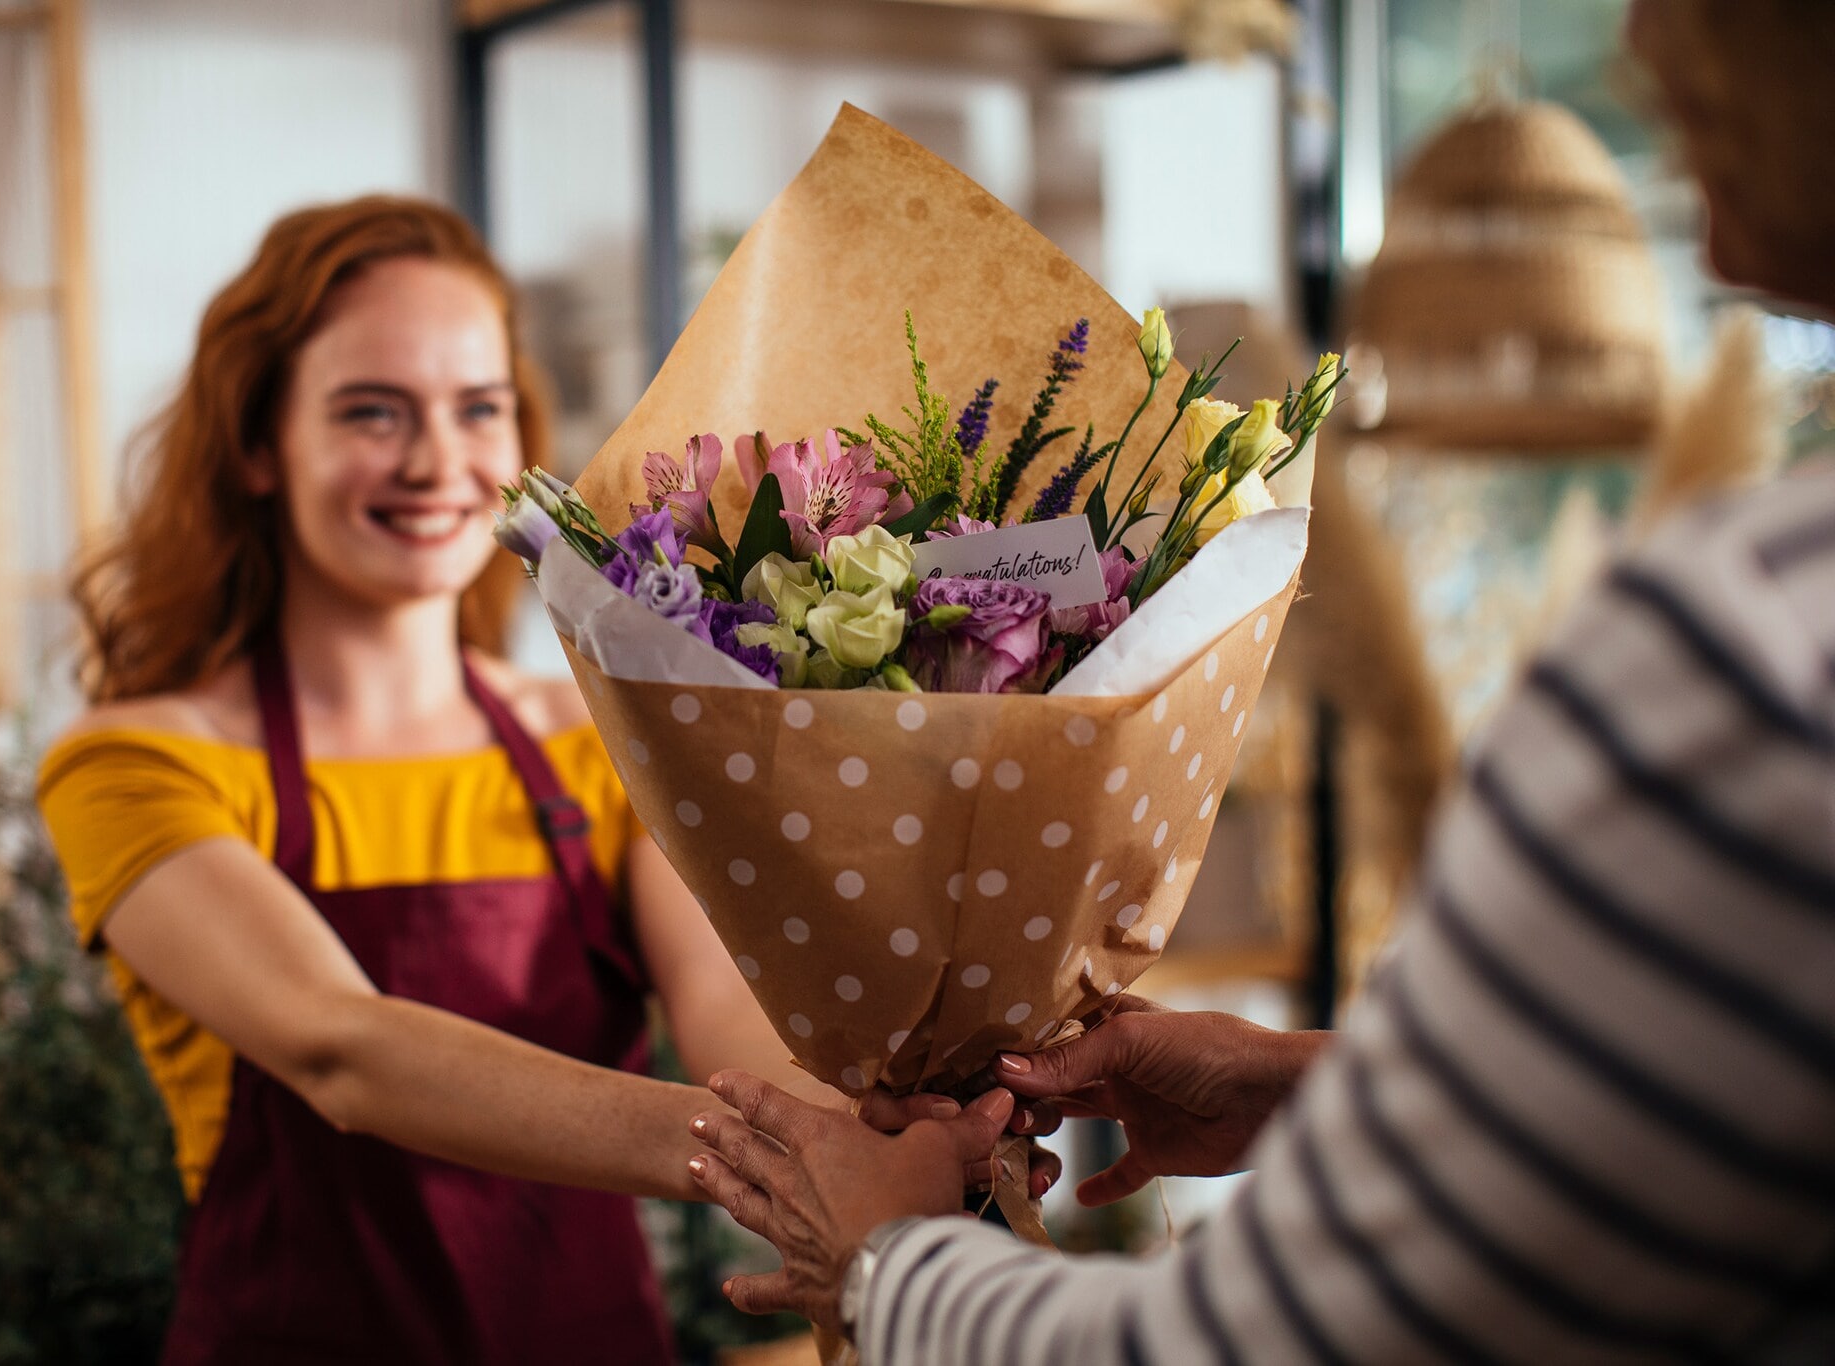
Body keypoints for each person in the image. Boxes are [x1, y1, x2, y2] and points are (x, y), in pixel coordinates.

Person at [684, 1, 1835, 1359]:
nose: (1642, 35)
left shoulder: (1751, 640)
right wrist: (1338, 1092)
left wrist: (883, 1260)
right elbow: (1719, 1119)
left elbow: (1259, 1346)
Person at [36, 196, 962, 1364]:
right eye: (372, 412)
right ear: (258, 444)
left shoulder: (602, 735)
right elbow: (343, 1049)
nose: (436, 461)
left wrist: (872, 1123)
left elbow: (727, 1012)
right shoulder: (135, 761)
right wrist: (786, 1165)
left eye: (476, 409)